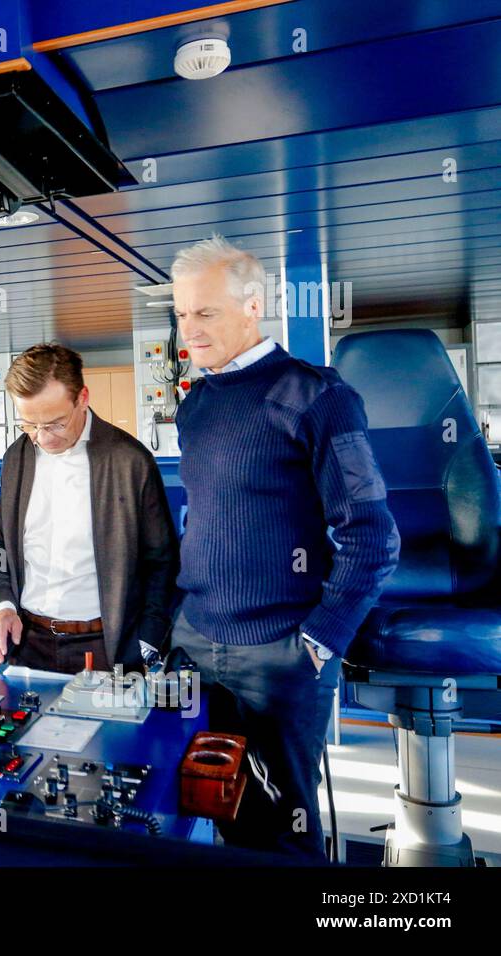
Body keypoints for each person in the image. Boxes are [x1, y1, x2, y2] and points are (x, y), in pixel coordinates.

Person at [169, 235, 399, 858]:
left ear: (253, 306)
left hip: (278, 651)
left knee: (282, 830)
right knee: (208, 809)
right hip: (194, 646)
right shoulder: (198, 404)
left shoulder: (318, 397)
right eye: (182, 313)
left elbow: (372, 536)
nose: (189, 328)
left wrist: (321, 640)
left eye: (205, 312)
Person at [0, 344, 178, 673]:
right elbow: (1, 544)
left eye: (56, 423)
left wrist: (147, 639)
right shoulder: (17, 458)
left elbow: (162, 561)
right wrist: (3, 604)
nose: (43, 438)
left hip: (106, 648)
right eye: (30, 425)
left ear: (83, 398)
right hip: (29, 644)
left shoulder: (129, 460)